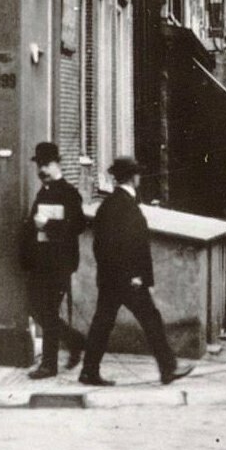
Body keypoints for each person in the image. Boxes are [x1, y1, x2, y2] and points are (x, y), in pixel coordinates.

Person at [78, 157, 193, 388]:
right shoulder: (125, 206)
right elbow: (129, 246)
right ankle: (168, 369)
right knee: (151, 320)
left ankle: (89, 371)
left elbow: (101, 246)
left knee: (103, 323)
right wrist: (135, 276)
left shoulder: (109, 204)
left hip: (111, 279)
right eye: (138, 174)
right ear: (133, 177)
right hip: (128, 281)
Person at [19, 141, 87, 379]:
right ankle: (75, 340)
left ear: (58, 164)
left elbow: (78, 226)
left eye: (46, 164)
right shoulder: (44, 192)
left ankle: (49, 365)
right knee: (36, 309)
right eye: (39, 165)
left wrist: (47, 225)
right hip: (41, 264)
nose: (42, 170)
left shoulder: (69, 193)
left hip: (59, 263)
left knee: (46, 311)